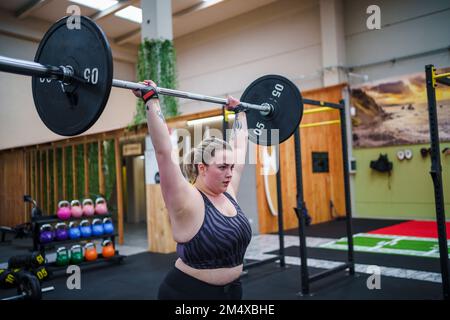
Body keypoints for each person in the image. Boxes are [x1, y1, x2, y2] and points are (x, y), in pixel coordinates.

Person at [132, 80, 252, 300]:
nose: (230, 173)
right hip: (188, 295)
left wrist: (240, 113)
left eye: (231, 167)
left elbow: (240, 149)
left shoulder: (228, 192)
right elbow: (163, 152)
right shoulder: (186, 198)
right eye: (223, 167)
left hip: (232, 293)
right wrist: (151, 100)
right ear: (202, 167)